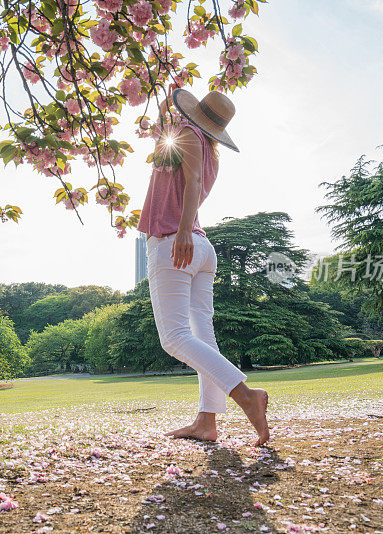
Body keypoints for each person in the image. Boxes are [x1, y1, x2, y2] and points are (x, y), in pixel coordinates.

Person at [136, 87, 270, 446]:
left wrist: (180, 232)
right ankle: (206, 423)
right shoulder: (207, 149)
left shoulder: (184, 134)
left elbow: (191, 182)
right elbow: (159, 127)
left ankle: (246, 396)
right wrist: (169, 99)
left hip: (174, 242)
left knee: (175, 338)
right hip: (201, 248)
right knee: (203, 337)